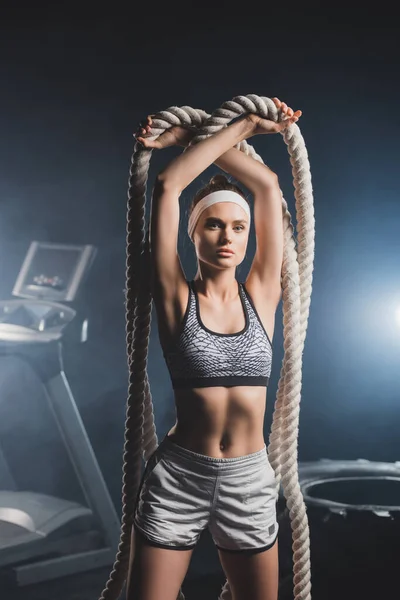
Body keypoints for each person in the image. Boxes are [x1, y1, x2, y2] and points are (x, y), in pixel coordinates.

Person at [127, 98, 302, 600]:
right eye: (213, 224)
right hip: (181, 475)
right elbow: (168, 186)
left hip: (249, 480)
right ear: (193, 232)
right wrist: (243, 125)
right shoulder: (175, 295)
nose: (228, 236)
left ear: (250, 236)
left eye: (239, 226)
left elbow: (266, 185)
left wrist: (193, 141)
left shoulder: (262, 295)